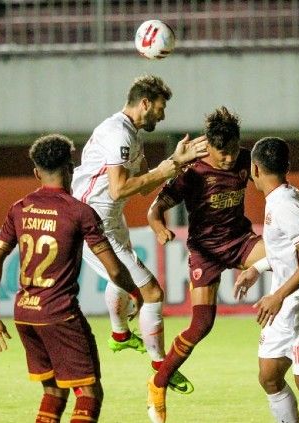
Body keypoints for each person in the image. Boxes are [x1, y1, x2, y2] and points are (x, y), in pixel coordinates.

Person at [0, 134, 143, 423]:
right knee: (90, 393)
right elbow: (115, 269)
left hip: (25, 314)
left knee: (54, 392)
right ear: (71, 169)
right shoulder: (80, 212)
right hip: (60, 315)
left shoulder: (19, 209)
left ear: (36, 172)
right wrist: (136, 293)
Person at [71, 75, 208, 395]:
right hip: (93, 220)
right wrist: (169, 165)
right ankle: (161, 365)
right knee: (152, 294)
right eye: (160, 108)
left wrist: (176, 164)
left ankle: (120, 336)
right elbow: (120, 187)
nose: (163, 116)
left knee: (118, 280)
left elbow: (145, 186)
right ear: (144, 103)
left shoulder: (130, 134)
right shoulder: (118, 133)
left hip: (109, 217)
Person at [145, 106, 267, 422]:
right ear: (208, 146)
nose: (228, 158)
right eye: (221, 152)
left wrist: (292, 200)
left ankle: (288, 345)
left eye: (232, 149)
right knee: (202, 324)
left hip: (241, 242)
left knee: (288, 255)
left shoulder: (245, 159)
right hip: (206, 252)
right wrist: (159, 227)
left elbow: (272, 183)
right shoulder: (193, 173)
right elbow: (155, 209)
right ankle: (158, 383)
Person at [232, 137, 299, 423]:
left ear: (255, 169)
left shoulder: (285, 204)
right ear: (287, 166)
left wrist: (277, 295)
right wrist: (258, 268)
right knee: (269, 376)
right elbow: (286, 252)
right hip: (286, 304)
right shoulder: (281, 198)